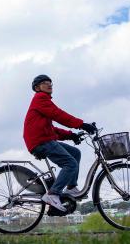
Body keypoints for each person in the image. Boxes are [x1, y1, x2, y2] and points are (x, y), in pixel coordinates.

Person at [23, 74, 97, 212]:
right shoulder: (40, 98)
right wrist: (81, 124)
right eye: (45, 82)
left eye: (50, 82)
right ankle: (53, 194)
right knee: (70, 164)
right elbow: (58, 115)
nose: (49, 84)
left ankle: (71, 188)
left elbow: (52, 129)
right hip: (40, 141)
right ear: (37, 87)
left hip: (43, 139)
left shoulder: (42, 103)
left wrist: (72, 135)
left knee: (75, 153)